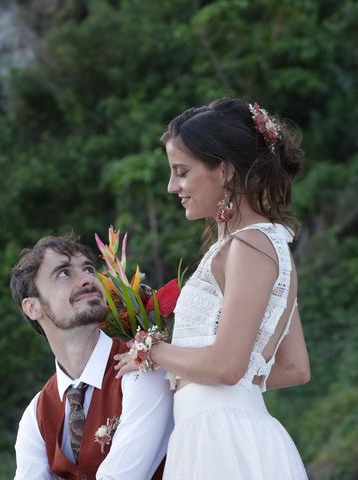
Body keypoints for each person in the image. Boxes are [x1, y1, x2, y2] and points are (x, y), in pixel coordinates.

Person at [115, 98, 311, 479]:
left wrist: (152, 350)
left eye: (182, 172)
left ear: (224, 171)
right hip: (218, 432)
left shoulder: (250, 247)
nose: (173, 187)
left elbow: (225, 366)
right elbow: (292, 368)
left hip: (222, 441)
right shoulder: (260, 243)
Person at [10, 235, 173, 480]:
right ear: (33, 307)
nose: (87, 279)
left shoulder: (142, 370)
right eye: (64, 273)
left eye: (88, 268)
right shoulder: (36, 415)